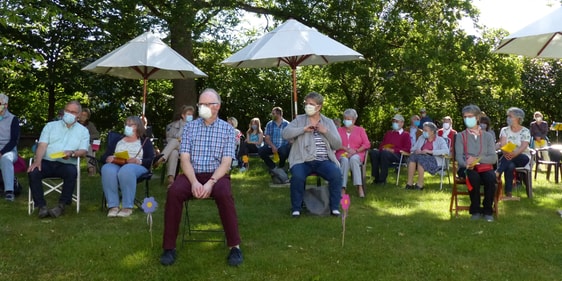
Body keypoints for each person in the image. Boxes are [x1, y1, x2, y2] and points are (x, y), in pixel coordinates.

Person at [160, 88, 243, 267]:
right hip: (192, 173)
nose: (202, 107)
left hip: (217, 175)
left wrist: (211, 182)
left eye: (207, 104)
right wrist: (195, 182)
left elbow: (226, 163)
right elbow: (185, 159)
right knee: (174, 192)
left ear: (217, 106)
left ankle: (234, 247)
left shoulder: (228, 130)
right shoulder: (190, 127)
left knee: (224, 195)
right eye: (201, 104)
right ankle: (169, 248)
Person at [282, 92, 343, 217]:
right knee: (298, 176)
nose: (308, 106)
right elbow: (285, 134)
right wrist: (303, 129)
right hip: (302, 160)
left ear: (319, 107)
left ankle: (335, 207)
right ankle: (296, 208)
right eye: (306, 104)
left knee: (336, 174)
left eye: (311, 104)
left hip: (323, 161)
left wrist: (325, 131)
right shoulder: (299, 120)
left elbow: (337, 144)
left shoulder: (328, 122)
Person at [28, 101, 89, 218]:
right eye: (67, 111)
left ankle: (61, 206)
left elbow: (83, 151)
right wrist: (37, 161)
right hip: (47, 161)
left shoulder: (83, 131)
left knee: (71, 172)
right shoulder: (50, 126)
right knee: (34, 171)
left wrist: (72, 153)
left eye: (73, 112)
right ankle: (41, 206)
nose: (69, 114)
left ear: (79, 115)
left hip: (67, 163)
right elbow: (42, 145)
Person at [100, 116, 154, 217]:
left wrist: (138, 161)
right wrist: (108, 158)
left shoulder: (145, 141)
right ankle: (113, 206)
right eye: (126, 124)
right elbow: (103, 157)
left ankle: (127, 207)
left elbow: (151, 159)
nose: (127, 127)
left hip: (136, 166)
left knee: (126, 170)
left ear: (138, 127)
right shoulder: (117, 139)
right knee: (107, 169)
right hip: (117, 163)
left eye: (130, 125)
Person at [455, 105, 498, 222]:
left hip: (485, 167)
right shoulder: (460, 136)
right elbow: (458, 156)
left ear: (478, 117)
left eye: (470, 116)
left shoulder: (488, 136)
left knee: (491, 178)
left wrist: (477, 159)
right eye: (465, 117)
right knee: (473, 178)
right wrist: (466, 164)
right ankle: (475, 210)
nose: (467, 119)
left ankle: (488, 210)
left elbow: (493, 158)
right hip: (466, 168)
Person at [496, 107, 531, 200]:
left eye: (510, 116)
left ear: (518, 118)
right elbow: (503, 144)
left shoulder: (525, 131)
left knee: (510, 160)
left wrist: (513, 154)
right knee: (510, 165)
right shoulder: (504, 130)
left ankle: (497, 172)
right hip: (507, 155)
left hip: (522, 156)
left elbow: (523, 146)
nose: (508, 118)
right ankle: (509, 194)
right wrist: (506, 152)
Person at [155, 105, 194, 186]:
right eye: (188, 114)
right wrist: (182, 129)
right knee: (173, 152)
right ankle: (171, 180)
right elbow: (168, 139)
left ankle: (161, 158)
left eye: (191, 114)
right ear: (183, 116)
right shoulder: (173, 125)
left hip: (189, 149)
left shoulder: (195, 126)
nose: (190, 116)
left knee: (174, 141)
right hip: (177, 147)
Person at [335, 109, 370, 197]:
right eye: (345, 119)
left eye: (348, 119)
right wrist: (345, 148)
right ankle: (342, 187)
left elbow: (367, 144)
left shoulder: (360, 130)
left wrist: (356, 151)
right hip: (342, 152)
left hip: (357, 153)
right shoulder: (339, 130)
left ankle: (359, 186)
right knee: (345, 160)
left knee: (354, 159)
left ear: (354, 120)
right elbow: (335, 143)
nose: (346, 121)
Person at [405, 122, 449, 190]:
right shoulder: (421, 138)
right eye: (423, 130)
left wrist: (430, 152)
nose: (423, 132)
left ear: (432, 132)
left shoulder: (440, 140)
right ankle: (409, 183)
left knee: (421, 159)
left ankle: (420, 184)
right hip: (421, 157)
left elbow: (446, 151)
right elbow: (413, 148)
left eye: (426, 130)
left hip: (435, 161)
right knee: (413, 157)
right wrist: (418, 150)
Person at [369, 114, 411, 185]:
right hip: (384, 152)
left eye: (396, 121)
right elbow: (382, 145)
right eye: (393, 121)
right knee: (373, 152)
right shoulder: (388, 133)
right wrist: (383, 148)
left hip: (398, 155)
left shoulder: (406, 135)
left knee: (385, 153)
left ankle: (382, 180)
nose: (394, 123)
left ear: (402, 123)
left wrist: (393, 150)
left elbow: (407, 149)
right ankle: (376, 178)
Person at [0, 94, 20, 201]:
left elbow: (13, 141)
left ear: (6, 105)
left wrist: (1, 152)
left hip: (9, 150)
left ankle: (9, 191)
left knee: (5, 159)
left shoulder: (13, 119)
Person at [259, 107, 291, 171]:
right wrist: (273, 146)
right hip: (272, 146)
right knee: (261, 151)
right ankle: (273, 167)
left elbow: (290, 138)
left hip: (283, 146)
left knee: (284, 151)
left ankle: (281, 166)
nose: (272, 115)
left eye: (273, 114)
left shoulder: (287, 124)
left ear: (278, 114)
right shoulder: (269, 124)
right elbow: (267, 138)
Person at [78, 108, 100, 176]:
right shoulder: (75, 124)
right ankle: (91, 168)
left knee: (89, 147)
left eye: (85, 115)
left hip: (88, 143)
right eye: (82, 114)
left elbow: (96, 134)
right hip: (77, 144)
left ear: (87, 117)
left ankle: (91, 168)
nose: (83, 116)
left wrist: (86, 137)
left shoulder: (90, 124)